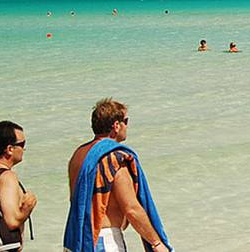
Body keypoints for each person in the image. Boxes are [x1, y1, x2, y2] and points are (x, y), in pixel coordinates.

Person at [64, 99, 170, 252]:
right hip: (104, 242)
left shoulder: (78, 156)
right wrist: (156, 243)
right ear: (116, 125)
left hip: (77, 241)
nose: (127, 126)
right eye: (126, 121)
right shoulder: (114, 158)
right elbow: (131, 208)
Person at [0, 121, 37, 249]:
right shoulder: (7, 177)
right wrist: (28, 207)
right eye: (22, 144)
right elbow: (12, 221)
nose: (24, 149)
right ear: (9, 149)